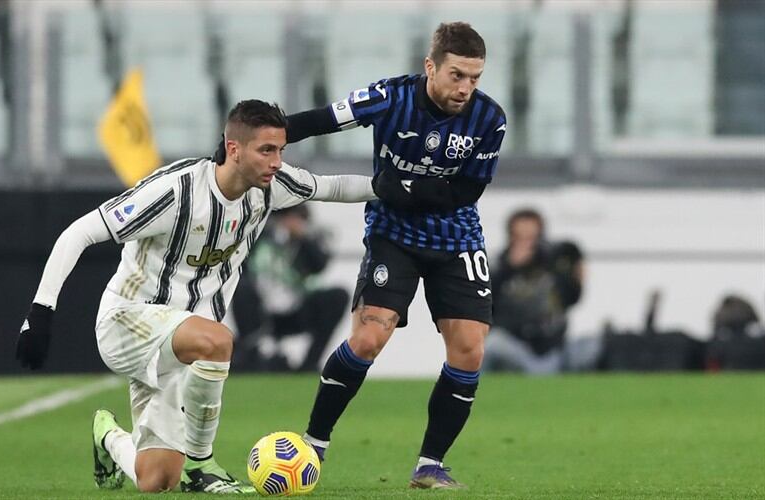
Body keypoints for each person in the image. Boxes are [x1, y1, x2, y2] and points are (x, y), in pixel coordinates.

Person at [14, 100, 375, 494]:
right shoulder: (176, 191)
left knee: (157, 479)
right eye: (266, 150)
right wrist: (40, 312)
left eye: (280, 150)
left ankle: (109, 437)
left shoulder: (271, 187)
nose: (276, 162)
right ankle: (202, 466)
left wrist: (395, 189)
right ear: (234, 149)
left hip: (182, 344)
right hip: (129, 321)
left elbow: (333, 186)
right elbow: (80, 232)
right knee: (218, 340)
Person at [218, 22, 506, 488]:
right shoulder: (389, 97)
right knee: (369, 337)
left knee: (470, 350)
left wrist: (401, 187)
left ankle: (430, 464)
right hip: (393, 234)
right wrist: (245, 145)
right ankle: (315, 442)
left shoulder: (490, 119)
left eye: (474, 78)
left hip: (457, 240)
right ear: (430, 67)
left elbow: (465, 192)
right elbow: (316, 121)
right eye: (457, 75)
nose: (465, 88)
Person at [231, 205, 349, 372]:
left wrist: (302, 237)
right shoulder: (257, 235)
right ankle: (250, 356)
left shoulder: (306, 240)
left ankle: (309, 364)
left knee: (339, 296)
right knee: (241, 288)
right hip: (257, 309)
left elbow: (319, 265)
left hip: (295, 308)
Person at [485, 208, 584, 374]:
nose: (526, 244)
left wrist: (574, 276)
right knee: (491, 344)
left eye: (531, 238)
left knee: (588, 348)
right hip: (513, 345)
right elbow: (484, 304)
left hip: (551, 347)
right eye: (520, 238)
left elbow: (572, 299)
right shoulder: (498, 265)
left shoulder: (552, 265)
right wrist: (509, 267)